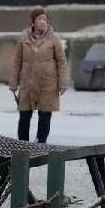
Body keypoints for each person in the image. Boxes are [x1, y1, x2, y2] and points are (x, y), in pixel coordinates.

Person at [8, 8, 69, 143]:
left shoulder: (53, 38)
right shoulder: (24, 38)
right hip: (27, 83)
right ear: (33, 23)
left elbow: (61, 61)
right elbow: (17, 61)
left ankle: (40, 144)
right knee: (24, 116)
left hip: (48, 84)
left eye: (45, 19)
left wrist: (63, 82)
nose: (43, 22)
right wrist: (13, 82)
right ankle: (22, 145)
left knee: (45, 115)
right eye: (39, 19)